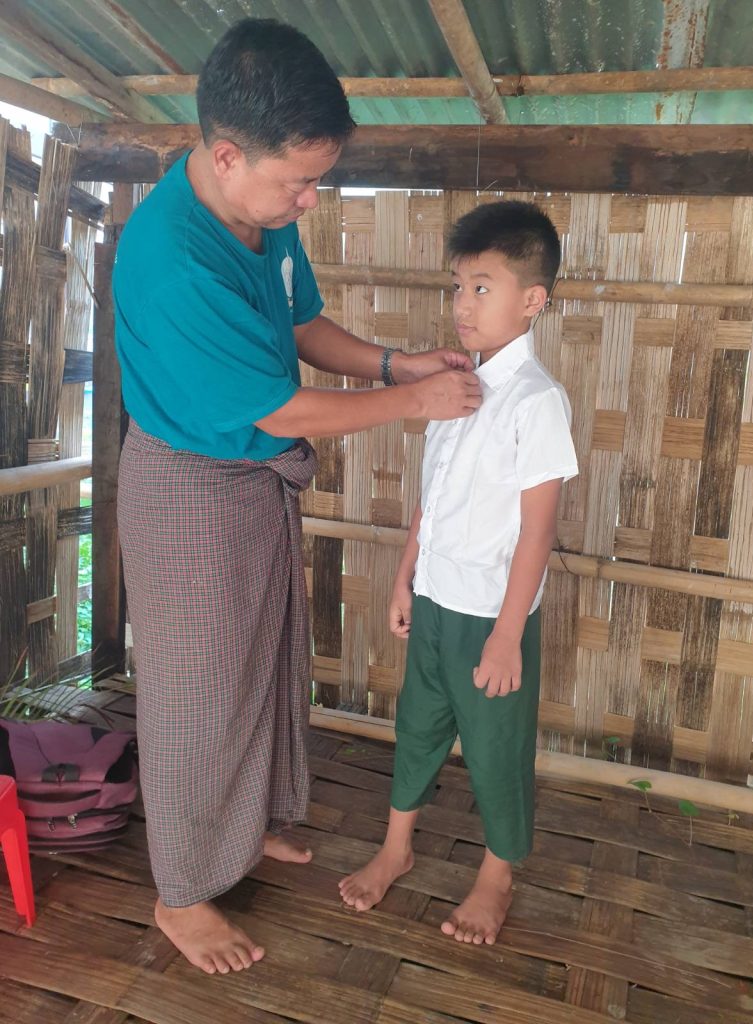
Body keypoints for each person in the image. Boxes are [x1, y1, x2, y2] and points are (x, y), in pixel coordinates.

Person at [113, 18, 482, 976]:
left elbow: (303, 324)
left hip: (249, 480)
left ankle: (244, 831)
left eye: (320, 177)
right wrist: (411, 400)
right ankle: (182, 892)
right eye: (298, 181)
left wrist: (398, 360)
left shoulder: (261, 218)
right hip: (190, 489)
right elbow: (281, 407)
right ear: (226, 155)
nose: (310, 202)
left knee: (263, 664)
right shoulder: (172, 261)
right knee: (197, 695)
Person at [339, 200, 579, 945]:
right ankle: (396, 849)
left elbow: (538, 533)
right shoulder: (456, 386)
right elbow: (432, 499)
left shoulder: (538, 401)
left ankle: (496, 876)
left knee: (496, 747)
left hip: (490, 616)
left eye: (482, 286)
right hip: (437, 601)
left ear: (532, 301)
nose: (462, 304)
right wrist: (406, 574)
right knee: (417, 727)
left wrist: (509, 636)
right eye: (457, 286)